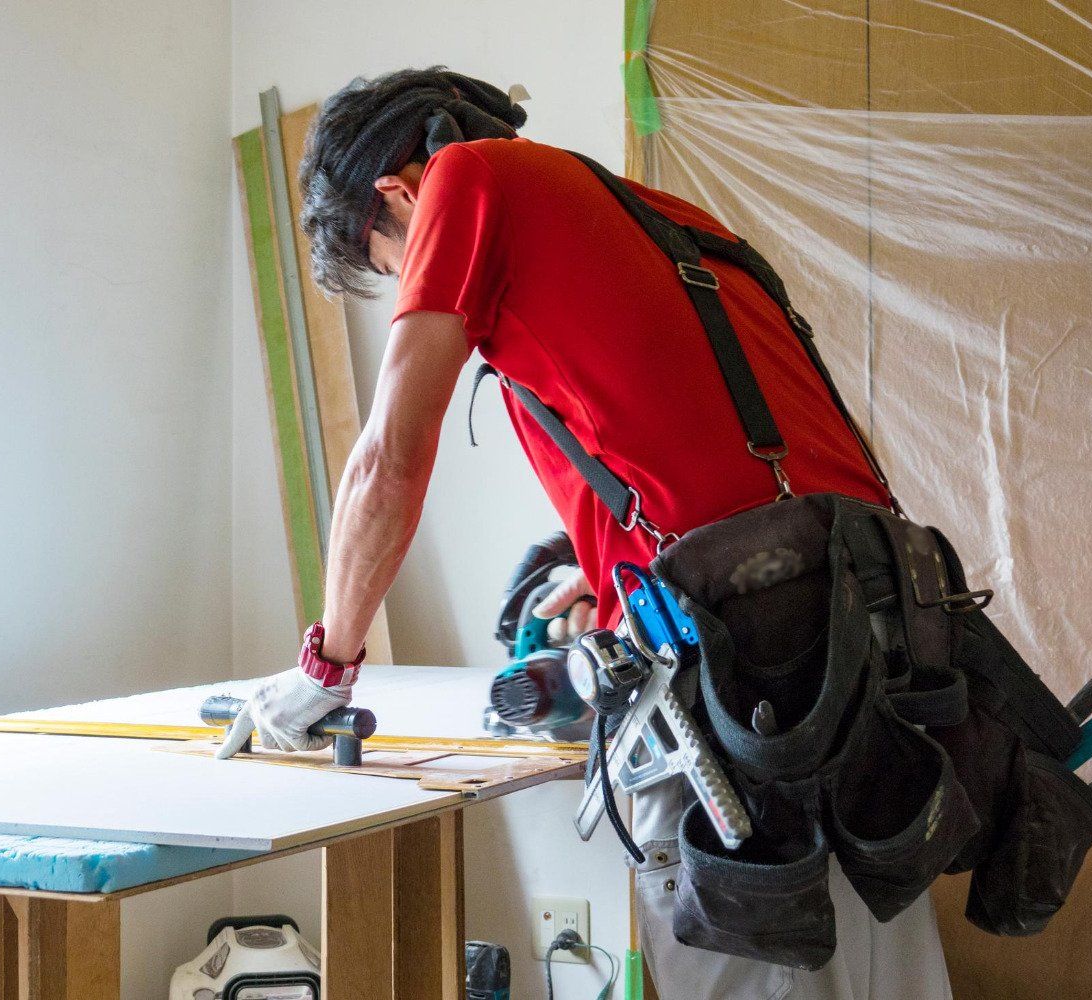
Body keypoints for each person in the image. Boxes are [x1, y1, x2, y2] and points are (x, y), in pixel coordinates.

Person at [217, 68, 952, 999]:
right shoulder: (636, 208)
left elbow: (386, 463)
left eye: (391, 260)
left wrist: (324, 669)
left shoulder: (465, 181)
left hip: (745, 679)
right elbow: (711, 437)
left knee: (754, 971)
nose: (409, 282)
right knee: (879, 969)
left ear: (399, 194)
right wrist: (596, 557)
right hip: (866, 621)